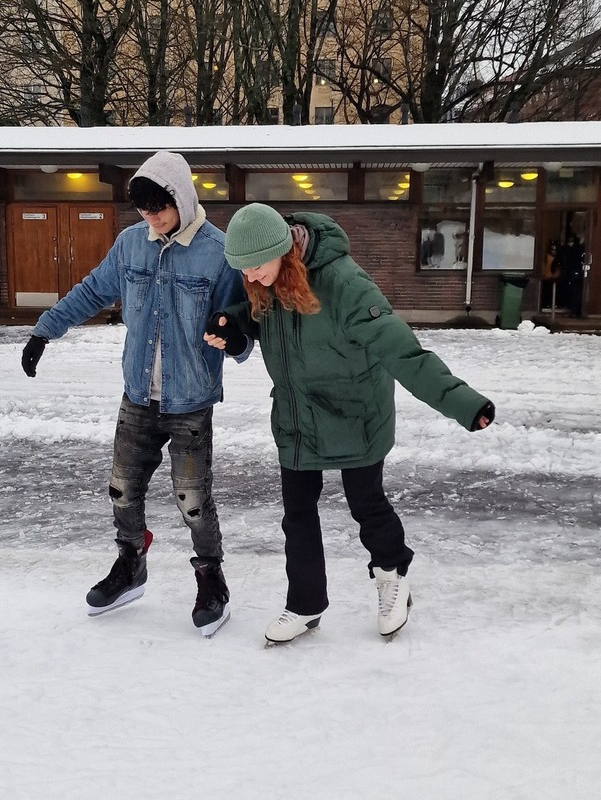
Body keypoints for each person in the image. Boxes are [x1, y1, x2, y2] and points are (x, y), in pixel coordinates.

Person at [204, 203, 495, 644]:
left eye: (257, 267)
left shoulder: (344, 283)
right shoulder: (264, 280)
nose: (252, 278)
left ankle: (393, 574)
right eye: (243, 271)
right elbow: (262, 322)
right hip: (298, 415)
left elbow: (401, 349)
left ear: (283, 249)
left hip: (356, 412)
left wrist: (462, 402)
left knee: (366, 504)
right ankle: (305, 604)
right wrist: (233, 324)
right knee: (297, 514)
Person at [21, 150, 246, 637]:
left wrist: (235, 337)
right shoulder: (130, 245)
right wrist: (44, 332)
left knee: (192, 499)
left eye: (159, 208)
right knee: (122, 490)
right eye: (144, 211)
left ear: (182, 199)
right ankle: (131, 564)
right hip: (138, 396)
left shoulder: (218, 251)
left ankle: (211, 578)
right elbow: (90, 291)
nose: (152, 218)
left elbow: (242, 319)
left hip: (190, 400)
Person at [560, 234, 584, 318]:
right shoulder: (572, 249)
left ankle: (574, 311)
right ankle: (573, 310)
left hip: (574, 273)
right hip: (572, 273)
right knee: (573, 292)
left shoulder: (576, 249)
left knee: (575, 293)